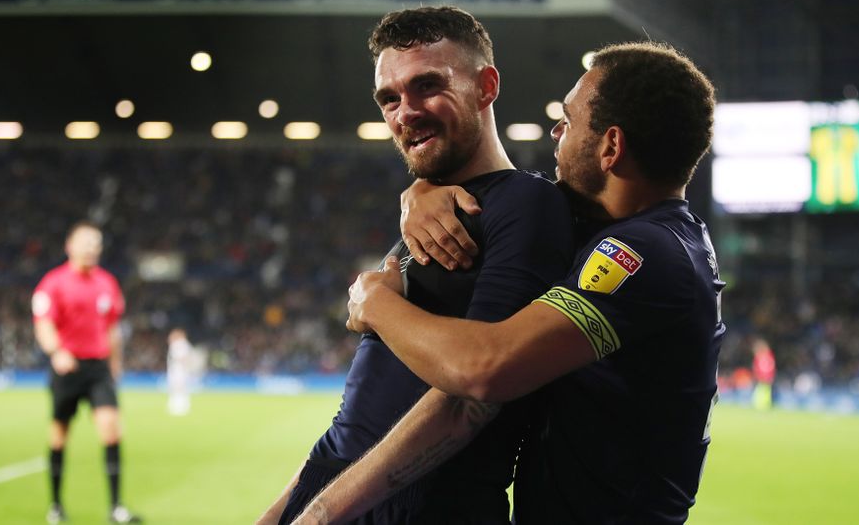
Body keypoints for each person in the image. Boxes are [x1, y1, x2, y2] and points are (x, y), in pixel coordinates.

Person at [304, 41, 726, 524]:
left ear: (610, 147)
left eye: (567, 121)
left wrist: (375, 301)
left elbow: (486, 369)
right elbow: (516, 193)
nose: (555, 132)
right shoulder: (639, 230)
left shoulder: (646, 253)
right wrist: (424, 189)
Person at [256, 6, 574, 525]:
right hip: (340, 497)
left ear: (486, 86)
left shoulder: (527, 203)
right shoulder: (430, 212)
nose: (405, 112)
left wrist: (376, 303)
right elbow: (356, 421)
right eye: (389, 98)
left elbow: (472, 398)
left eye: (427, 85)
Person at [32, 221, 142, 524]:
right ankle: (55, 506)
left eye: (97, 243)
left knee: (111, 430)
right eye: (87, 243)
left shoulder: (107, 283)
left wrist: (116, 363)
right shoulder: (52, 283)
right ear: (70, 246)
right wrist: (57, 351)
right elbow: (43, 323)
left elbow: (113, 329)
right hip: (67, 367)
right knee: (59, 437)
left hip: (98, 368)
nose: (93, 248)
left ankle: (116, 507)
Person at [167, 328, 194, 416]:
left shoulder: (180, 344)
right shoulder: (181, 344)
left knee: (179, 388)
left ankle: (180, 407)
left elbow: (183, 357)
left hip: (179, 369)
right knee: (177, 388)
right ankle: (178, 406)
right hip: (177, 369)